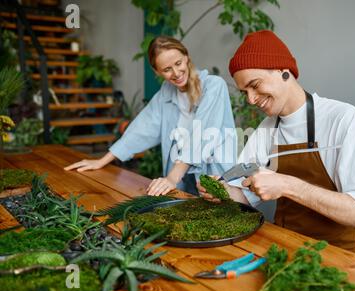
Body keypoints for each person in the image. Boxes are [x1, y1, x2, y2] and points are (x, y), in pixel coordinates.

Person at [198, 30, 355, 254]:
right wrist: (222, 191)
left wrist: (287, 185)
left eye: (255, 85)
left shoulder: (343, 119)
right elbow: (243, 199)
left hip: (339, 258)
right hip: (284, 249)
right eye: (244, 92)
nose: (251, 99)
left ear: (283, 71)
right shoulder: (266, 130)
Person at [65, 36, 236, 196]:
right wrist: (103, 160)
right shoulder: (165, 94)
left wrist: (171, 178)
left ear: (187, 57)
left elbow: (201, 135)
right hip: (181, 178)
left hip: (213, 174)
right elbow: (141, 129)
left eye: (178, 63)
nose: (176, 73)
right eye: (167, 69)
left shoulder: (214, 86)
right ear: (157, 71)